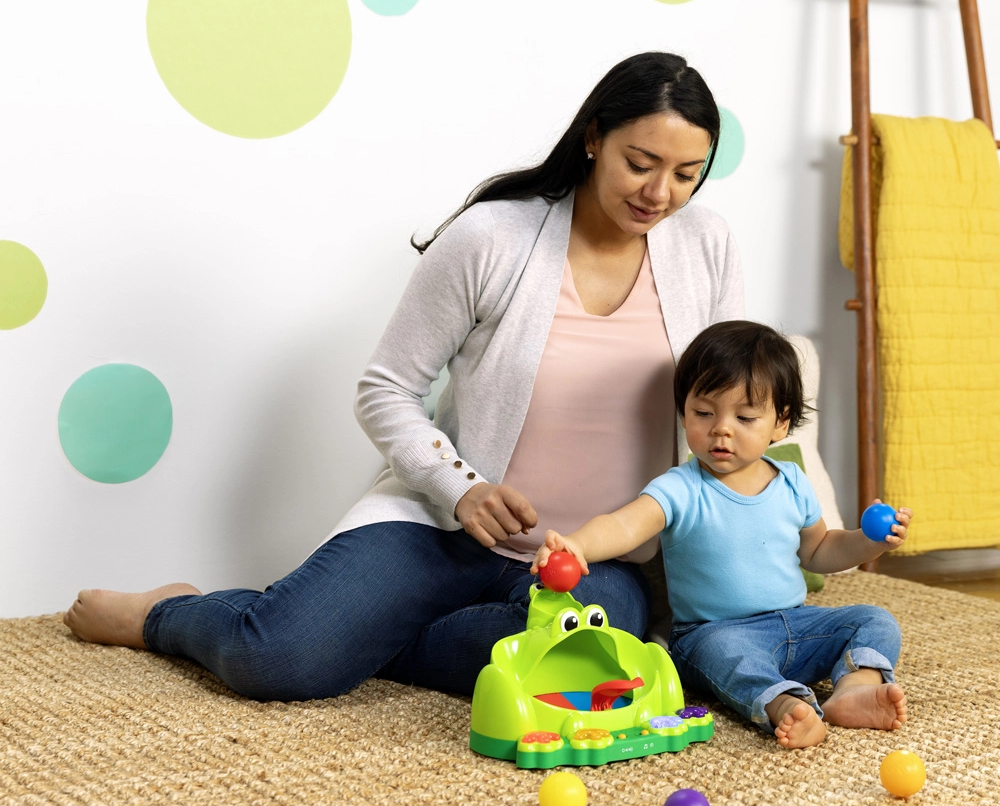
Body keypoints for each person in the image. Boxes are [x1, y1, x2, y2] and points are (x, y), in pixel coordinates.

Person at [63, 52, 744, 702]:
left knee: (580, 669)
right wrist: (462, 490)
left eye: (686, 174)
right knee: (277, 659)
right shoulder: (492, 238)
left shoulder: (706, 247)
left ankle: (370, 639)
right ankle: (168, 613)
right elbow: (385, 388)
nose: (659, 193)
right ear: (594, 138)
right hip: (444, 529)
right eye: (640, 164)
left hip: (596, 562)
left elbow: (734, 399)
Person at [531, 320, 911, 749]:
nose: (721, 429)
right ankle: (783, 704)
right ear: (684, 412)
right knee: (728, 655)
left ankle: (855, 688)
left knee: (875, 620)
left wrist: (868, 541)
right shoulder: (682, 487)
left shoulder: (791, 482)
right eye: (703, 413)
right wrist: (578, 544)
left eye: (745, 417)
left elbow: (820, 550)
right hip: (711, 632)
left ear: (781, 423)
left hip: (795, 624)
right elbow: (624, 524)